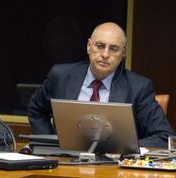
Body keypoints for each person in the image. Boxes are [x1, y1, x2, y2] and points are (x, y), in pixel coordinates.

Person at [28, 22, 175, 147]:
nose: (105, 54)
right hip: (65, 162)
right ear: (88, 46)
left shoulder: (138, 88)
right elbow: (36, 109)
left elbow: (164, 137)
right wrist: (51, 144)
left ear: (123, 54)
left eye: (113, 48)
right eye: (100, 46)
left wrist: (124, 150)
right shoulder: (61, 76)